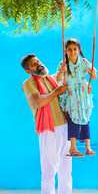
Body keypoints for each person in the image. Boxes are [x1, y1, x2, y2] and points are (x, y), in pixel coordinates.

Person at [21, 54, 72, 194]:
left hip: (64, 126)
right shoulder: (29, 83)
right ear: (28, 70)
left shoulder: (52, 78)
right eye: (33, 64)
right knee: (49, 171)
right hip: (48, 129)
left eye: (38, 60)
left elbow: (63, 80)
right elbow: (39, 102)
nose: (38, 64)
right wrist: (56, 92)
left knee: (66, 170)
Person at [56, 38, 97, 157]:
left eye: (75, 49)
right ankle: (72, 147)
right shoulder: (63, 64)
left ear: (79, 50)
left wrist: (93, 72)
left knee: (85, 118)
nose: (72, 52)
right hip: (71, 95)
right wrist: (61, 72)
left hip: (83, 95)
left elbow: (94, 77)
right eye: (69, 50)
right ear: (66, 51)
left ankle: (87, 147)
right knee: (73, 119)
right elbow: (58, 79)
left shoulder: (84, 62)